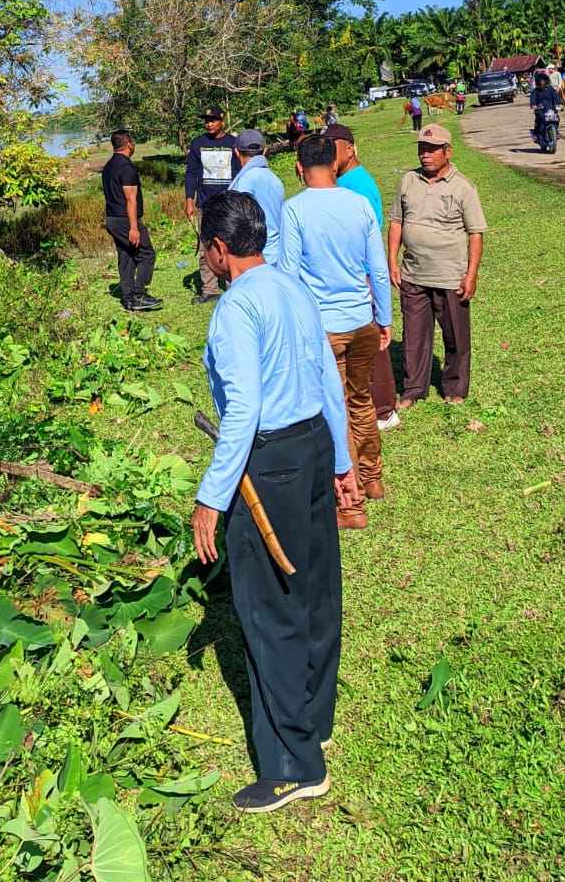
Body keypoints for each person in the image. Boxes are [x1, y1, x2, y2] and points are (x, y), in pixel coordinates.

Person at [191, 191, 357, 813]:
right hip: (313, 446)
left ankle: (293, 765)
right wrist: (341, 461)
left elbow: (244, 413)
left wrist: (212, 497)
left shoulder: (235, 310)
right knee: (313, 589)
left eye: (204, 248)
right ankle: (313, 718)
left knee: (270, 607)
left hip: (270, 464)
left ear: (218, 248)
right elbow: (327, 379)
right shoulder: (291, 288)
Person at [279, 134, 391, 524]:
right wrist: (385, 318)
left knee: (335, 409)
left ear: (298, 167)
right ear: (335, 163)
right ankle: (373, 479)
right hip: (362, 321)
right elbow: (377, 269)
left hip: (323, 329)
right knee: (361, 401)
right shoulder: (359, 204)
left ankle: (351, 505)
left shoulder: (293, 211)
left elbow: (289, 274)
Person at [387, 124, 487, 407]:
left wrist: (471, 275)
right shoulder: (408, 181)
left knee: (455, 335)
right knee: (414, 336)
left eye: (432, 149)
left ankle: (455, 388)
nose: (425, 155)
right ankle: (413, 389)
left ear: (448, 152)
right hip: (413, 273)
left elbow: (475, 234)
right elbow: (397, 222)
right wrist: (392, 261)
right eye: (422, 149)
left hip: (450, 275)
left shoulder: (463, 187)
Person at [323, 123, 399, 433]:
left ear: (350, 149)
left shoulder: (359, 185)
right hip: (349, 277)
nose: (328, 155)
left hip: (362, 276)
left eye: (333, 148)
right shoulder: (342, 181)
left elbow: (368, 240)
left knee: (373, 347)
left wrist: (368, 279)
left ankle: (384, 410)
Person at [184, 107, 240, 304]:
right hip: (205, 204)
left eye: (213, 120)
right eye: (207, 120)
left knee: (231, 245)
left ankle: (234, 287)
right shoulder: (198, 143)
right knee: (206, 246)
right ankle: (210, 289)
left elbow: (240, 171)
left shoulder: (233, 144)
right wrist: (189, 200)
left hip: (228, 203)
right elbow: (191, 174)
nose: (209, 123)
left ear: (222, 121)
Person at [102, 131, 162, 312]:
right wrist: (134, 227)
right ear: (129, 144)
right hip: (124, 219)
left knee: (126, 255)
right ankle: (139, 295)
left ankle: (128, 298)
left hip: (112, 218)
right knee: (146, 254)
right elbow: (130, 200)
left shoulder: (109, 165)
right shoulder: (126, 168)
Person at [228, 129, 284, 264]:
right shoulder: (274, 179)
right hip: (276, 253)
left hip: (254, 258)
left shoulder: (244, 181)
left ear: (236, 152)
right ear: (264, 151)